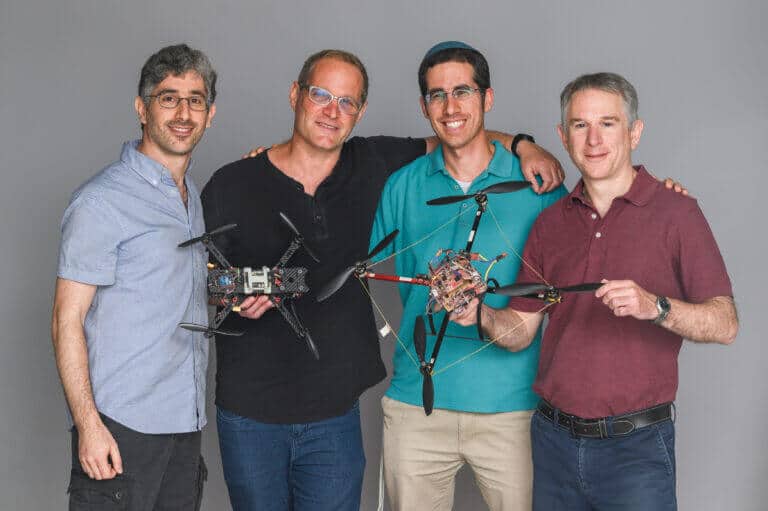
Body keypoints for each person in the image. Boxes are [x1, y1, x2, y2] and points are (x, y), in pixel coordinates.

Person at [201, 48, 562, 511]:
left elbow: (457, 132)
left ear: (360, 112)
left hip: (344, 414)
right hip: (266, 411)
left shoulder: (375, 164)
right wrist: (231, 294)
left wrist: (523, 144)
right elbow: (201, 279)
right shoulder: (237, 182)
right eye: (321, 95)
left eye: (347, 102)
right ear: (296, 95)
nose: (333, 111)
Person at [452, 72, 738, 510]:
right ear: (563, 137)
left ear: (635, 132)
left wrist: (655, 306)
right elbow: (520, 331)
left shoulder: (677, 212)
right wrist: (481, 313)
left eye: (608, 123)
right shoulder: (551, 224)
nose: (593, 139)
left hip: (636, 449)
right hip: (553, 444)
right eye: (580, 125)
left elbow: (725, 323)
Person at [370, 41, 566, 511]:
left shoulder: (537, 185)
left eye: (462, 91)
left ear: (487, 98)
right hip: (417, 405)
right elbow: (359, 261)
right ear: (423, 106)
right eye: (437, 95)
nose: (450, 106)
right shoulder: (403, 184)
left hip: (512, 408)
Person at [51, 44, 216, 510]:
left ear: (210, 113)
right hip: (120, 430)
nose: (184, 113)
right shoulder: (100, 202)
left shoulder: (191, 199)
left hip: (185, 425)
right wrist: (88, 424)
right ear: (142, 109)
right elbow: (67, 320)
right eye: (169, 98)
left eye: (196, 100)